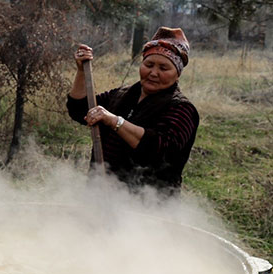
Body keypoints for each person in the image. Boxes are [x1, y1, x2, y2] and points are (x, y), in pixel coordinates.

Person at [66, 27, 199, 193]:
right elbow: (79, 110)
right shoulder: (122, 95)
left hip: (147, 206)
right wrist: (81, 71)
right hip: (100, 196)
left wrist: (115, 121)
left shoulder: (182, 109)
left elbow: (161, 150)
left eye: (164, 68)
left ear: (177, 74)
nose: (153, 73)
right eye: (149, 64)